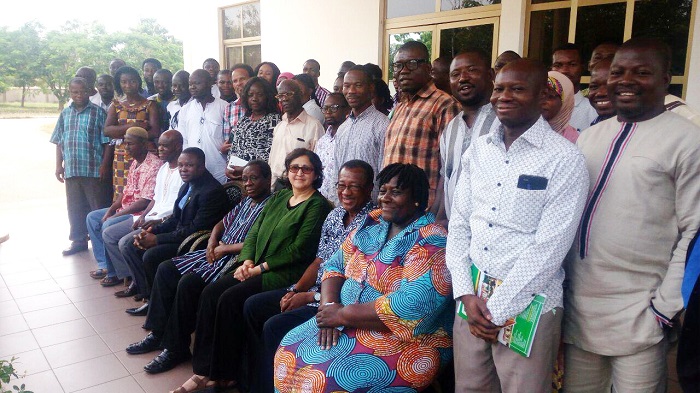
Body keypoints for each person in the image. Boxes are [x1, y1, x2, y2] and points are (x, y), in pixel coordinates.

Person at [563, 37, 700, 393]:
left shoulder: (687, 141)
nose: (625, 80)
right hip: (580, 310)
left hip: (641, 311)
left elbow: (694, 230)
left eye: (641, 72)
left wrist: (665, 307)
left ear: (665, 78)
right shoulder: (590, 137)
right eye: (618, 71)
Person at [445, 58, 588, 392]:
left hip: (529, 306)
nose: (503, 96)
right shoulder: (478, 150)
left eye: (517, 89)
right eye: (499, 88)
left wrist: (498, 309)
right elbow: (461, 224)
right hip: (472, 301)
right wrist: (466, 293)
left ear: (541, 97)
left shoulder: (564, 158)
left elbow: (550, 247)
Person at [275, 163, 453, 393]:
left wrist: (342, 315)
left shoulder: (432, 240)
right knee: (289, 348)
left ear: (417, 198)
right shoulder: (374, 223)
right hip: (343, 319)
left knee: (325, 380)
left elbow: (412, 305)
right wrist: (329, 305)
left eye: (396, 192)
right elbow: (335, 265)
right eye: (383, 191)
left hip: (405, 338)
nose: (386, 198)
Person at [170, 149, 332, 393]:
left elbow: (298, 250)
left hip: (284, 273)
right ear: (287, 172)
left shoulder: (316, 206)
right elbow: (255, 232)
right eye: (294, 168)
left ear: (316, 174)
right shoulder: (280, 197)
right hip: (255, 266)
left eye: (306, 169)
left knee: (231, 298)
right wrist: (246, 261)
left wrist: (258, 269)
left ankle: (225, 373)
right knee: (212, 293)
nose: (299, 173)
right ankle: (204, 370)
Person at [125, 161, 273, 374]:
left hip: (236, 258)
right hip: (215, 251)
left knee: (188, 283)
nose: (248, 183)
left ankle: (175, 349)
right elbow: (221, 223)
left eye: (254, 178)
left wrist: (225, 249)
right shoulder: (246, 201)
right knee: (166, 269)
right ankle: (158, 333)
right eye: (245, 178)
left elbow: (258, 241)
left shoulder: (271, 205)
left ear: (268, 180)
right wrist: (213, 241)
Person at [243, 160, 376, 393]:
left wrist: (309, 297)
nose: (345, 192)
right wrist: (295, 291)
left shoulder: (373, 224)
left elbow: (355, 283)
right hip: (311, 290)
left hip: (337, 301)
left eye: (354, 187)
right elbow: (319, 261)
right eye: (341, 185)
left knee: (274, 326)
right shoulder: (335, 216)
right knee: (253, 306)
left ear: (369, 188)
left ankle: (266, 387)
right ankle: (251, 380)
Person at [120, 147, 229, 313]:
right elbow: (176, 218)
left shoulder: (211, 191)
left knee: (151, 255)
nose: (183, 169)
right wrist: (152, 232)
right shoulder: (188, 184)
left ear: (201, 166)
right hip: (181, 235)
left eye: (189, 165)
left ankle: (159, 304)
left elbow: (195, 229)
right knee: (135, 245)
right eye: (181, 165)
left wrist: (157, 240)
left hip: (197, 243)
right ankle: (151, 299)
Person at [384, 40, 460, 209]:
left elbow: (452, 167)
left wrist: (438, 209)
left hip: (423, 208)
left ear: (428, 69)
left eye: (411, 64)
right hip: (393, 207)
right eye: (398, 65)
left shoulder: (445, 105)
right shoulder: (399, 107)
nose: (403, 71)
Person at [110, 130, 184, 298]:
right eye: (159, 145)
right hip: (150, 217)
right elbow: (155, 199)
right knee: (118, 237)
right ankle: (142, 286)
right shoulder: (164, 168)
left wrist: (157, 221)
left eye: (165, 146)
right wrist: (144, 215)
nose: (160, 149)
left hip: (165, 221)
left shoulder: (183, 171)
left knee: (126, 243)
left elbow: (178, 208)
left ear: (178, 147)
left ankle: (146, 291)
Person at [86, 127, 161, 286]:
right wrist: (112, 209)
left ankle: (118, 273)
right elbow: (126, 192)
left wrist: (115, 216)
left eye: (130, 144)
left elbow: (145, 201)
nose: (126, 147)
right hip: (126, 208)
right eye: (125, 143)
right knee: (92, 218)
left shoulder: (154, 165)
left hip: (139, 213)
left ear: (143, 144)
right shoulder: (135, 162)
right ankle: (105, 265)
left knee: (108, 225)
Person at [50, 77, 111, 256]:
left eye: (82, 91)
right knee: (75, 207)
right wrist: (58, 166)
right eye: (74, 92)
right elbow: (59, 141)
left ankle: (102, 243)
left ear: (89, 92)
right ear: (70, 93)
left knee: (96, 207)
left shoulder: (98, 113)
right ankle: (78, 240)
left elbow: (107, 142)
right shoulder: (65, 114)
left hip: (93, 169)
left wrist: (104, 165)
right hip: (72, 168)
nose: (79, 95)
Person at [438, 50, 496, 221]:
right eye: (455, 74)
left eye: (472, 70)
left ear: (490, 74)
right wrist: (439, 218)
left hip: (492, 233)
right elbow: (446, 177)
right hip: (456, 231)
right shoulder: (451, 128)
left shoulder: (506, 123)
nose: (463, 78)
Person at [330, 65, 389, 204]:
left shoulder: (383, 125)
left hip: (372, 210)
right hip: (343, 207)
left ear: (371, 88)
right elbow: (336, 170)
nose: (351, 91)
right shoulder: (343, 128)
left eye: (358, 85)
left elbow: (384, 172)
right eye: (346, 86)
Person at [105, 66, 160, 199]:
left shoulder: (149, 105)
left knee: (142, 192)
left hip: (143, 155)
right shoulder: (116, 105)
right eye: (124, 82)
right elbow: (107, 130)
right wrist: (136, 126)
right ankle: (120, 219)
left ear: (138, 82)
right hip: (121, 156)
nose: (128, 85)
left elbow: (155, 131)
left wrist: (122, 132)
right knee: (122, 193)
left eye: (132, 81)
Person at [268, 80, 324, 188]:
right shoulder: (280, 126)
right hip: (276, 185)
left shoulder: (314, 126)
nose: (284, 99)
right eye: (280, 96)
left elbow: (319, 163)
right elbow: (272, 161)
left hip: (300, 185)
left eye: (289, 94)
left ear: (300, 95)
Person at [176, 69, 229, 184]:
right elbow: (183, 140)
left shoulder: (224, 107)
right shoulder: (185, 110)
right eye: (190, 84)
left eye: (197, 83)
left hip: (218, 170)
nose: (193, 87)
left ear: (210, 83)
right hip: (193, 173)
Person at [225, 77, 281, 180]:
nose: (254, 98)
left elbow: (270, 154)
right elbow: (233, 148)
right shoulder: (243, 121)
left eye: (260, 95)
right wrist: (228, 167)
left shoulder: (275, 121)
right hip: (236, 178)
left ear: (267, 96)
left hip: (258, 179)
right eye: (250, 95)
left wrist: (246, 169)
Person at [551, 43, 597, 131]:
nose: (564, 70)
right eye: (558, 65)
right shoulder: (539, 108)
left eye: (572, 64)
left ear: (582, 68)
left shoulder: (592, 110)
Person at [316, 92, 350, 202]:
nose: (328, 112)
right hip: (321, 200)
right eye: (325, 108)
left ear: (347, 109)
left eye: (334, 108)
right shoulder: (322, 141)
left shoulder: (350, 136)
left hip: (342, 201)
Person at [222, 64, 255, 150]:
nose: (239, 83)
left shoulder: (263, 104)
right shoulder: (229, 108)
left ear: (252, 79)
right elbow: (227, 141)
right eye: (235, 81)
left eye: (242, 79)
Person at [542, 70, 579, 143]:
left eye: (550, 96)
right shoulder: (520, 131)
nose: (542, 101)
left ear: (565, 101)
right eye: (539, 95)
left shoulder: (573, 140)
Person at [587, 59, 615, 125]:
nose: (600, 93)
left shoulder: (641, 132)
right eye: (594, 86)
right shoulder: (594, 128)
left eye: (609, 86)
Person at [149, 69, 176, 135]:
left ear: (171, 82)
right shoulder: (150, 101)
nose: (160, 86)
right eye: (156, 82)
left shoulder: (179, 101)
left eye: (164, 82)